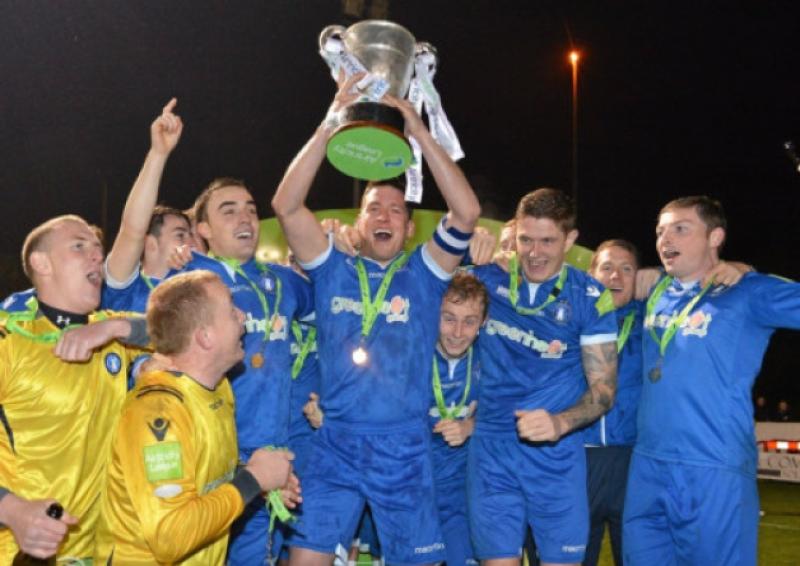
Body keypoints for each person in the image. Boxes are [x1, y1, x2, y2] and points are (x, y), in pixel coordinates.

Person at [271, 73, 480, 565]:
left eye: (395, 209)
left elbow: (466, 212)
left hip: (403, 449)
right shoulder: (330, 266)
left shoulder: (424, 276)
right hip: (335, 443)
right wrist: (329, 125)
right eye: (373, 209)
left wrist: (418, 131)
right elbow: (285, 204)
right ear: (358, 223)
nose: (385, 216)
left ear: (409, 228)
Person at [623, 196, 800, 566]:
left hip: (712, 465)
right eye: (660, 231)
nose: (665, 238)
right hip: (647, 466)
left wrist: (747, 270)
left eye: (680, 229)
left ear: (715, 236)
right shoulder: (654, 291)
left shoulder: (748, 291)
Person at [94, 270, 299, 565]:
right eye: (231, 310)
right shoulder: (157, 414)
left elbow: (202, 475)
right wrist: (254, 479)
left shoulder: (218, 388)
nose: (243, 317)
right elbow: (171, 536)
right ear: (205, 336)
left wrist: (259, 477)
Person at [469, 188, 618, 566]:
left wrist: (559, 422)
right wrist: (461, 251)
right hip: (492, 452)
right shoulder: (485, 279)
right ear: (513, 232)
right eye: (526, 240)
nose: (534, 253)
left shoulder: (590, 297)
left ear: (570, 240)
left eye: (548, 241)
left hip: (556, 458)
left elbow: (603, 390)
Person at [177, 177, 314, 565]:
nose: (246, 218)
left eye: (252, 210)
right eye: (229, 210)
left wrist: (340, 245)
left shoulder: (280, 281)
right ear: (202, 230)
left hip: (270, 454)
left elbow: (338, 299)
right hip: (212, 457)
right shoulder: (187, 281)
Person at [0, 215, 149, 562]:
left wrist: (114, 328)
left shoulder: (112, 332)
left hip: (97, 550)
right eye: (79, 246)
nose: (97, 255)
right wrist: (11, 510)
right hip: (17, 550)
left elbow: (186, 332)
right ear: (41, 263)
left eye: (98, 248)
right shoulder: (9, 339)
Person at [582, 240, 643, 566]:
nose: (615, 276)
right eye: (606, 267)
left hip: (633, 461)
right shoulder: (570, 318)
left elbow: (696, 283)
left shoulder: (652, 319)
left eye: (627, 268)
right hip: (580, 460)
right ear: (591, 274)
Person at [102, 98, 192, 313]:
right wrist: (158, 154)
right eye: (180, 235)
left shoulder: (200, 296)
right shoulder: (126, 289)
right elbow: (132, 230)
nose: (192, 243)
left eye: (191, 235)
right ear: (150, 244)